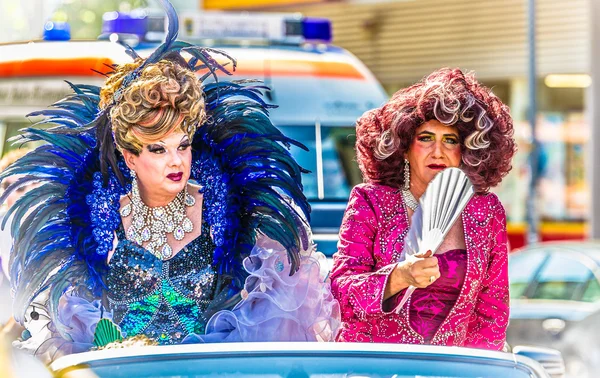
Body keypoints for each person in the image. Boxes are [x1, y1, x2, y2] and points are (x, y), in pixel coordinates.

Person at [1, 0, 338, 362]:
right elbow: (78, 317)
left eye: (184, 144)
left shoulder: (227, 213)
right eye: (158, 150)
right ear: (130, 157)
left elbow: (273, 309)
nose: (177, 160)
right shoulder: (99, 220)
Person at [331, 68, 516, 350]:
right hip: (373, 367)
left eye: (450, 140)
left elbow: (492, 313)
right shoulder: (371, 201)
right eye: (426, 138)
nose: (438, 151)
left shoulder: (486, 211)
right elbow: (340, 294)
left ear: (466, 151)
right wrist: (398, 277)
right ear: (404, 147)